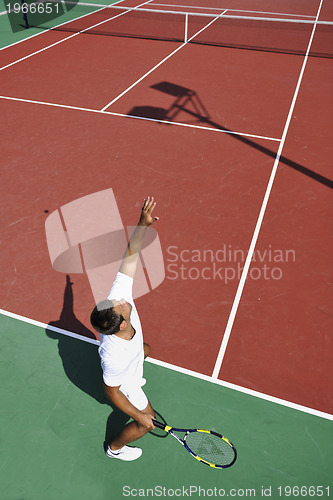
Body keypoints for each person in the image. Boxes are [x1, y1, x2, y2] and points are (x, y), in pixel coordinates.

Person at [90, 196, 159, 461]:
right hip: (124, 380)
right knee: (146, 423)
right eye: (119, 305)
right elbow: (111, 391)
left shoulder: (117, 305)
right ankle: (114, 449)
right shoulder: (112, 356)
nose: (122, 299)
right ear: (121, 323)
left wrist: (142, 223)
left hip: (132, 358)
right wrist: (138, 414)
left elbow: (129, 259)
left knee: (146, 349)